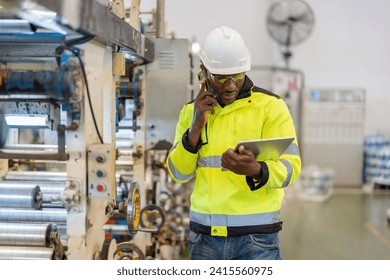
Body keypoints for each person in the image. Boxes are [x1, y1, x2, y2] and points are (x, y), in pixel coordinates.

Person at [166, 26, 301, 260]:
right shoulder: (191, 112)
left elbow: (292, 168)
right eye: (220, 78)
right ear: (204, 74)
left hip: (256, 239)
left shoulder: (270, 107)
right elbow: (178, 173)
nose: (230, 85)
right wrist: (195, 128)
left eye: (237, 76)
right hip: (204, 237)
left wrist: (258, 170)